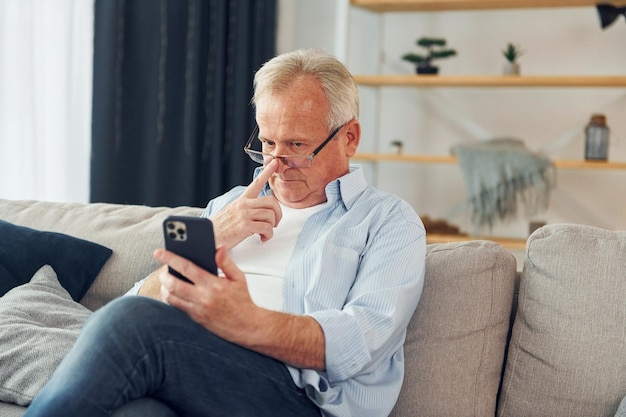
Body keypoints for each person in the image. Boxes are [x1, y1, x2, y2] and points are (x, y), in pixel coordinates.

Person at [24, 48, 426, 417]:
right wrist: (210, 236)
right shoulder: (225, 207)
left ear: (349, 138)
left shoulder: (387, 221)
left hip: (299, 400)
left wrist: (246, 321)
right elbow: (125, 315)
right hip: (196, 377)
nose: (276, 165)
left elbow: (362, 339)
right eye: (267, 143)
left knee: (135, 325)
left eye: (297, 145)